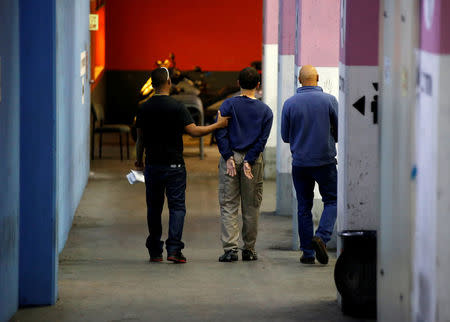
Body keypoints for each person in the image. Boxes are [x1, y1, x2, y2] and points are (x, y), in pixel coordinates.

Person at [135, 67, 229, 263]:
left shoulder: (144, 107)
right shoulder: (177, 107)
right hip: (174, 167)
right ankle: (174, 250)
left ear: (152, 84)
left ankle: (154, 250)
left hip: (152, 165)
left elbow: (140, 139)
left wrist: (139, 160)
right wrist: (217, 126)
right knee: (177, 207)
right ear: (169, 83)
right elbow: (194, 131)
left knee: (154, 207)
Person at [281, 65, 338, 265]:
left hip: (300, 164)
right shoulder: (330, 101)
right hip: (325, 162)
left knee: (303, 207)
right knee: (332, 200)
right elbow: (339, 131)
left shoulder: (289, 104)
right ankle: (321, 236)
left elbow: (285, 136)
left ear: (299, 80)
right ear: (318, 78)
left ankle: (307, 253)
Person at [215, 67, 273, 262]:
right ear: (258, 85)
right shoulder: (266, 111)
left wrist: (228, 156)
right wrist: (248, 160)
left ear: (238, 83)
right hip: (253, 161)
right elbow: (262, 140)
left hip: (230, 160)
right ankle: (248, 249)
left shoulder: (227, 105)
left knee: (229, 205)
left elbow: (220, 133)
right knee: (251, 206)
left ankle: (230, 250)